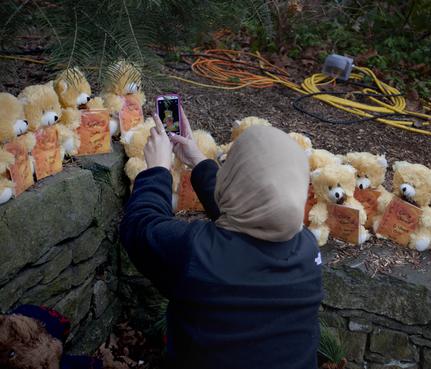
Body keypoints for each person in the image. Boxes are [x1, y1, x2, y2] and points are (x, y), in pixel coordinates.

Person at [119, 108, 323, 369]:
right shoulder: (308, 250)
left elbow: (140, 226)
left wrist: (158, 169)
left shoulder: (197, 252)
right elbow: (250, 206)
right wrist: (199, 161)